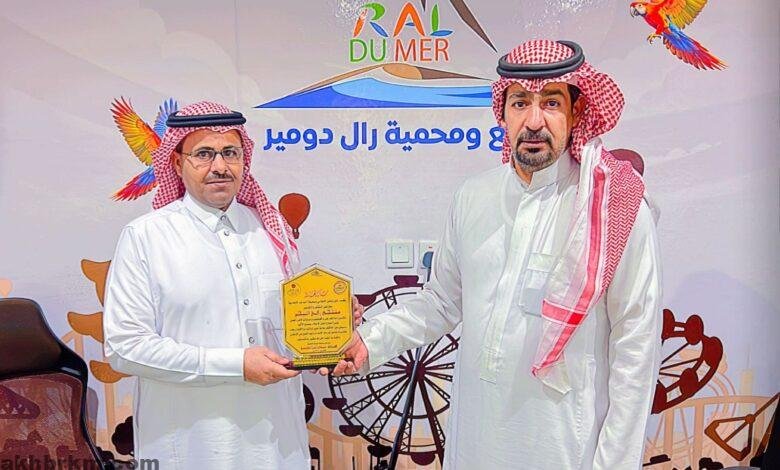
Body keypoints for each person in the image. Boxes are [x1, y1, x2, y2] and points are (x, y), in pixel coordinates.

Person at [331, 40, 663, 469]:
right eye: (520, 103)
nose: (534, 121)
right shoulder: (473, 196)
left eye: (552, 103)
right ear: (502, 113)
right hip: (477, 439)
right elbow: (441, 302)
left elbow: (635, 347)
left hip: (564, 448)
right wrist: (369, 340)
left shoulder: (613, 207)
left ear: (577, 111)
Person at [103, 101, 362, 469]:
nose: (220, 166)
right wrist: (236, 364)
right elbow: (126, 348)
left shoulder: (271, 231)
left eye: (230, 153)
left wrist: (332, 324)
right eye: (203, 154)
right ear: (176, 162)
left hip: (276, 446)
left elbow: (290, 329)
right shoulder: (146, 236)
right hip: (190, 446)